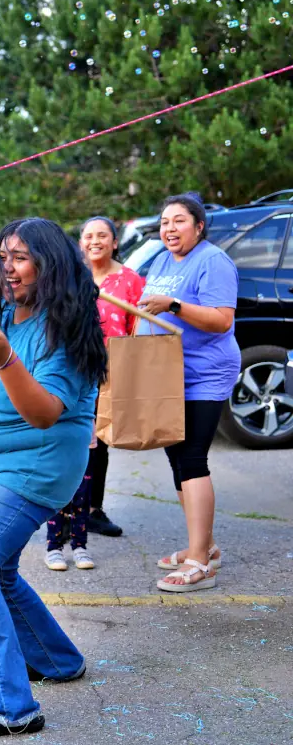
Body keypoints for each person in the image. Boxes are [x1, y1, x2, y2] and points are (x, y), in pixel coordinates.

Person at [0, 218, 107, 737]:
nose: (7, 267)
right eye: (1, 255)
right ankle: (57, 660)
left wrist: (6, 358)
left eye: (19, 258)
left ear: (50, 266)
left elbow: (44, 413)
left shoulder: (65, 327)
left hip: (35, 464)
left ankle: (7, 708)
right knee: (0, 569)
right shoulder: (3, 305)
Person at [137, 193, 239, 593]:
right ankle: (206, 544)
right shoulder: (162, 261)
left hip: (205, 373)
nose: (169, 229)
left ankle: (199, 562)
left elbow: (220, 320)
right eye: (164, 222)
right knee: (177, 455)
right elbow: (148, 310)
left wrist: (176, 304)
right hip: (167, 374)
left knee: (193, 456)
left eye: (179, 221)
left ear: (199, 226)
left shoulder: (214, 261)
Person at [81, 216, 145, 539]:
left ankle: (93, 509)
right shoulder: (72, 278)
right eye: (89, 235)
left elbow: (140, 327)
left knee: (100, 441)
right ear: (81, 243)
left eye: (102, 235)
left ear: (115, 242)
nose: (95, 241)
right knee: (73, 437)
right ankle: (66, 510)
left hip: (111, 372)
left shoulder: (131, 281)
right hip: (73, 369)